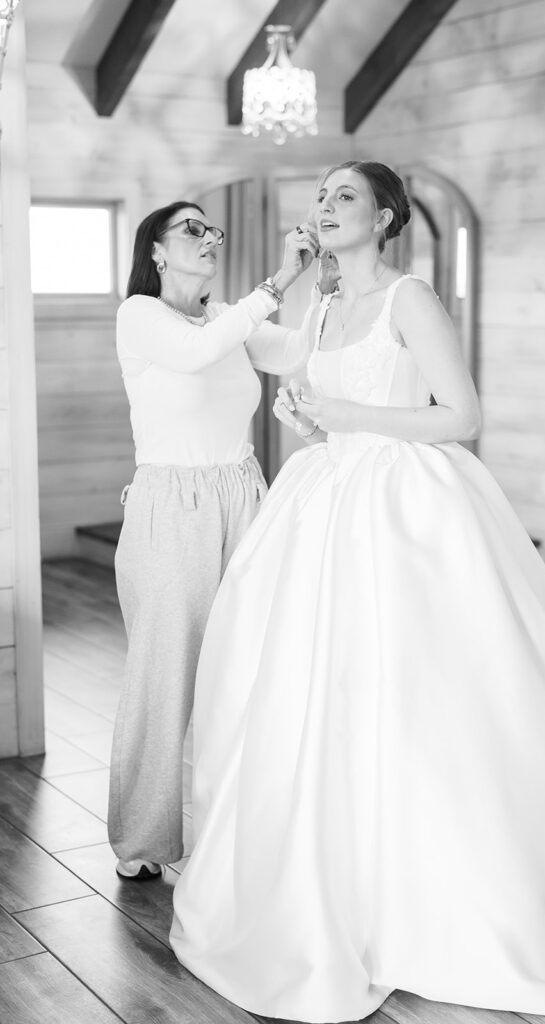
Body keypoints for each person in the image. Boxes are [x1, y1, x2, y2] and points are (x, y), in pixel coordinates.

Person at [170, 163, 545, 1021]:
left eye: (345, 197)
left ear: (385, 218)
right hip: (325, 498)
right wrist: (314, 418)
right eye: (322, 196)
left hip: (409, 506)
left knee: (436, 694)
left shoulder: (411, 297)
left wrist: (351, 419)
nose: (326, 207)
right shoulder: (328, 304)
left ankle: (463, 899)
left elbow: (460, 416)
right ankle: (329, 882)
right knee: (321, 692)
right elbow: (332, 402)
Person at [108, 200, 319, 881]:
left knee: (250, 664)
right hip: (172, 502)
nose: (206, 238)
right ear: (158, 251)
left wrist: (323, 289)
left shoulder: (226, 315)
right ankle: (143, 839)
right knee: (164, 674)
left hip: (243, 493)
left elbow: (292, 353)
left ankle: (245, 829)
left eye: (212, 229)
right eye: (190, 229)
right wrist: (279, 281)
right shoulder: (140, 315)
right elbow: (195, 354)